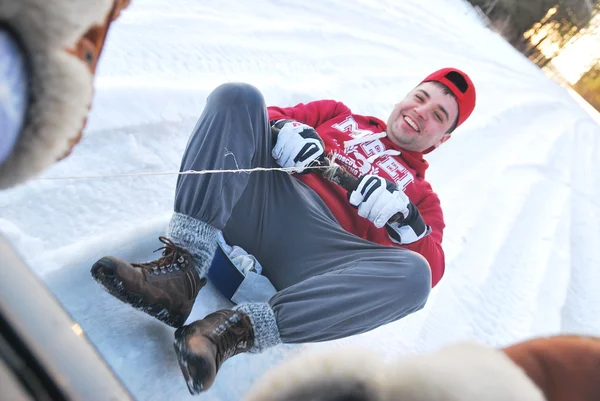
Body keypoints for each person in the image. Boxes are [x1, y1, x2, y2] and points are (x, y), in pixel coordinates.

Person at [90, 67, 476, 394]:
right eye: (420, 97)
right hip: (263, 202)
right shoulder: (337, 115)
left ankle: (233, 332)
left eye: (439, 115)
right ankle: (180, 272)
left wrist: (406, 223)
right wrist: (284, 129)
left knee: (417, 276)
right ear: (404, 97)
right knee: (239, 96)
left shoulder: (422, 198)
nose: (422, 112)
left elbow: (433, 264)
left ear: (443, 140)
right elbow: (259, 117)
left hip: (318, 257)